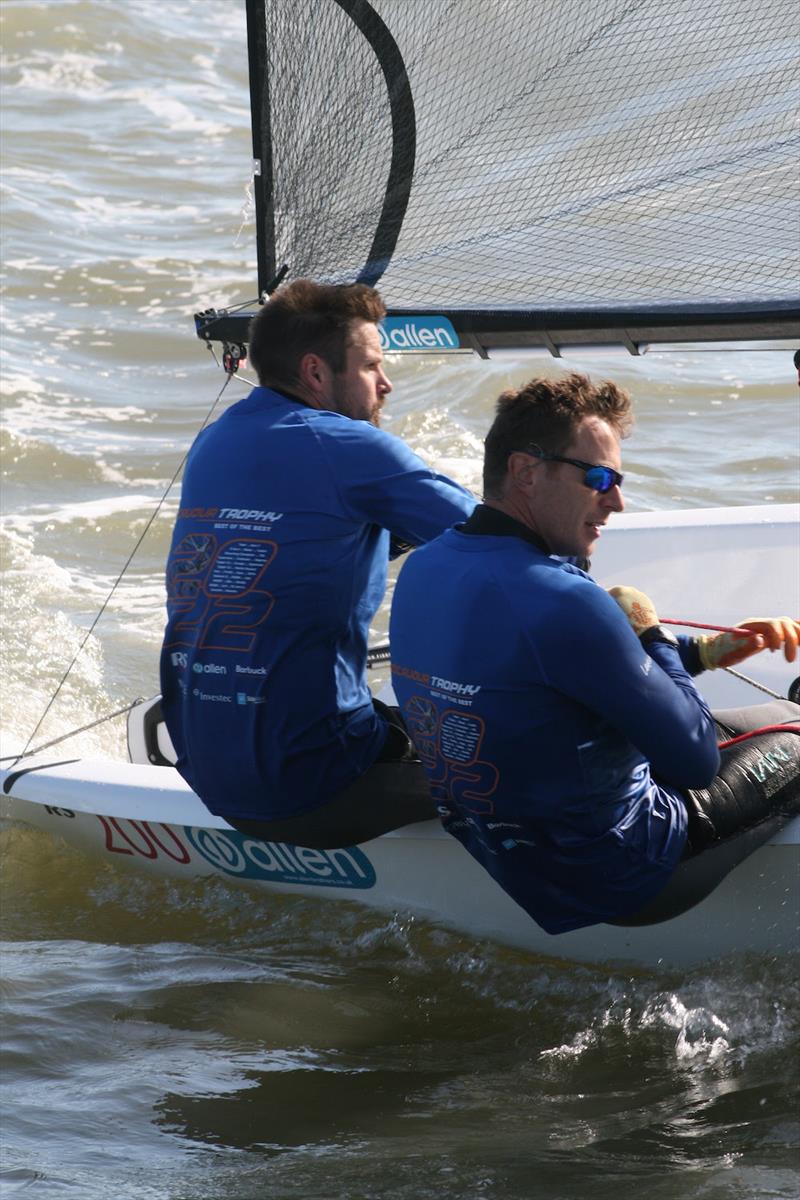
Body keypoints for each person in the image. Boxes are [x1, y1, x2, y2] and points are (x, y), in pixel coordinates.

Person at [389, 373, 799, 934]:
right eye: (599, 478)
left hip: (520, 867)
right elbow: (697, 761)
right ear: (525, 471)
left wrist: (702, 651)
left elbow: (558, 666)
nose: (618, 500)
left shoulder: (425, 567)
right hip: (630, 873)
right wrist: (653, 634)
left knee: (773, 718)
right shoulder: (562, 598)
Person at [160, 280, 474, 847]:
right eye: (371, 365)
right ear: (315, 372)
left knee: (393, 723)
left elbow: (298, 541)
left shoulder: (213, 442)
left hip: (208, 773)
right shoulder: (353, 447)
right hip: (313, 786)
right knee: (523, 750)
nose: (386, 383)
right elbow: (504, 544)